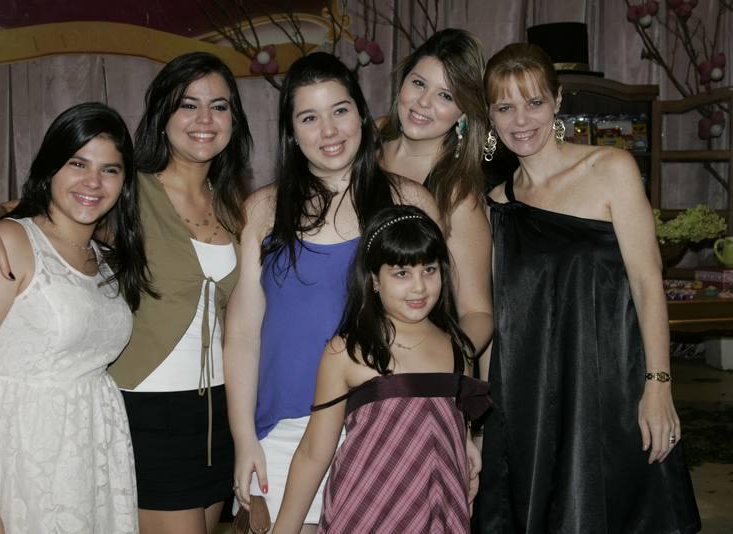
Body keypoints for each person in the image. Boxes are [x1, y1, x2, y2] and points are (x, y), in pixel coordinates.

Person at [0, 52, 253, 534]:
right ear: (163, 114)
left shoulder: (236, 205)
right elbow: (31, 208)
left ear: (234, 120)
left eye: (219, 106)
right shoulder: (126, 192)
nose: (204, 119)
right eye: (187, 104)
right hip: (148, 407)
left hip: (216, 413)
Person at [475, 43, 701, 533]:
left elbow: (648, 283)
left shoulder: (611, 169)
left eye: (534, 102)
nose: (521, 120)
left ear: (557, 100)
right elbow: (500, 322)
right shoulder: (495, 206)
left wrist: (659, 387)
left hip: (613, 388)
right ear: (489, 115)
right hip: (532, 401)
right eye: (505, 107)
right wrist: (487, 422)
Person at [224, 52, 439, 531]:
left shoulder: (409, 202)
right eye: (309, 117)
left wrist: (458, 428)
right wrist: (243, 439)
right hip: (285, 430)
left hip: (386, 424)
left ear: (361, 114)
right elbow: (242, 335)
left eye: (340, 110)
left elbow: (440, 331)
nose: (329, 130)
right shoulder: (262, 210)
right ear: (292, 133)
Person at [0, 102, 149, 533]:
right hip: (17, 456)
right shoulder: (8, 242)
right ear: (51, 167)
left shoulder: (106, 255)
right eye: (78, 163)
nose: (93, 181)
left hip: (89, 454)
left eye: (110, 169)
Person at [273, 205, 492, 534]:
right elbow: (313, 453)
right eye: (402, 273)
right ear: (374, 279)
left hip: (440, 515)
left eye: (429, 269)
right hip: (364, 513)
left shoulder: (459, 349)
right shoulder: (347, 351)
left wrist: (467, 446)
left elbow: (453, 432)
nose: (419, 287)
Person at [379, 29, 493, 355]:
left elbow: (478, 314)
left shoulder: (457, 196)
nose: (424, 102)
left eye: (445, 96)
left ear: (464, 113)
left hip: (412, 358)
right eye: (418, 83)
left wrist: (441, 365)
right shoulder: (366, 142)